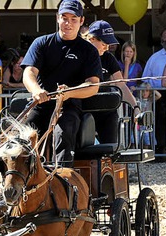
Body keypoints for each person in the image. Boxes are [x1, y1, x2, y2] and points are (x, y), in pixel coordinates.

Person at [21, 0, 101, 166]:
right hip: (41, 104)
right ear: (57, 18)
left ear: (81, 21)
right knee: (20, 137)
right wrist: (36, 90)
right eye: (64, 18)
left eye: (73, 19)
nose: (68, 23)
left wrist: (69, 93)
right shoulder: (41, 43)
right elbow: (29, 72)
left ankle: (63, 180)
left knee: (62, 133)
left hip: (69, 107)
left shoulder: (89, 50)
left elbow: (93, 85)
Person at [83, 20, 141, 144]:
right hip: (82, 107)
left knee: (110, 144)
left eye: (109, 43)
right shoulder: (80, 53)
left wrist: (135, 106)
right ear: (92, 39)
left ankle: (108, 161)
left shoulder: (108, 57)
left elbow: (121, 85)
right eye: (104, 43)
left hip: (104, 108)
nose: (107, 47)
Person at [142, 27, 166, 153]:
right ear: (161, 39)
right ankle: (160, 149)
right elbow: (145, 77)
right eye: (165, 36)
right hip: (158, 95)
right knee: (159, 124)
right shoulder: (154, 58)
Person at [135, 82, 161, 148]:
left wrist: (152, 89)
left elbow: (159, 95)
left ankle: (146, 155)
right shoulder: (137, 99)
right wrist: (134, 89)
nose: (145, 93)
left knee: (147, 141)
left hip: (147, 123)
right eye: (143, 91)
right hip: (139, 123)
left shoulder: (150, 99)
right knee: (136, 140)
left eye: (147, 91)